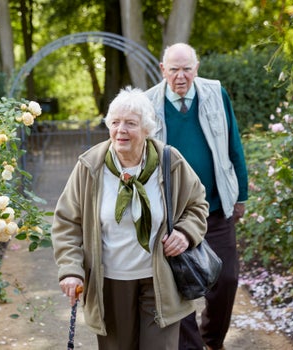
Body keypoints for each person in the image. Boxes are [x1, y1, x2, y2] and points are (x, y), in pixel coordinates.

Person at [51, 86, 209, 349]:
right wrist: (71, 269)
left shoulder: (170, 162)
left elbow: (197, 204)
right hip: (109, 284)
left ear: (147, 129)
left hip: (161, 280)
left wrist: (185, 233)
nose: (120, 130)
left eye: (130, 123)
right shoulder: (90, 166)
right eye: (115, 122)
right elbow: (67, 222)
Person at [145, 43, 249, 350]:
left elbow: (234, 146)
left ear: (197, 68)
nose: (180, 76)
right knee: (179, 287)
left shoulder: (216, 94)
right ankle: (191, 346)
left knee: (226, 279)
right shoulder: (149, 102)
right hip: (171, 215)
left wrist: (239, 195)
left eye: (186, 68)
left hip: (215, 208)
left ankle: (211, 340)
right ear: (163, 70)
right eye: (174, 69)